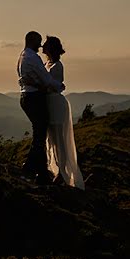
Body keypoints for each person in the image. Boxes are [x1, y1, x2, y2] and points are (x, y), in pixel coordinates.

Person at [16, 30, 62, 184]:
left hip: (27, 97)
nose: (41, 45)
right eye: (39, 41)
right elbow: (46, 79)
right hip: (34, 99)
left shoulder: (23, 56)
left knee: (40, 135)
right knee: (40, 137)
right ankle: (28, 170)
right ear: (32, 41)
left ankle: (42, 174)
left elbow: (26, 79)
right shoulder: (32, 57)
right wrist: (60, 86)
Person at [42, 36, 84, 189]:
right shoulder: (47, 64)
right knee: (51, 138)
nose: (42, 47)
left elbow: (53, 86)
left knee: (59, 138)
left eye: (45, 45)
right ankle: (55, 169)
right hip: (49, 103)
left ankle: (63, 172)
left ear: (51, 48)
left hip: (55, 104)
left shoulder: (57, 66)